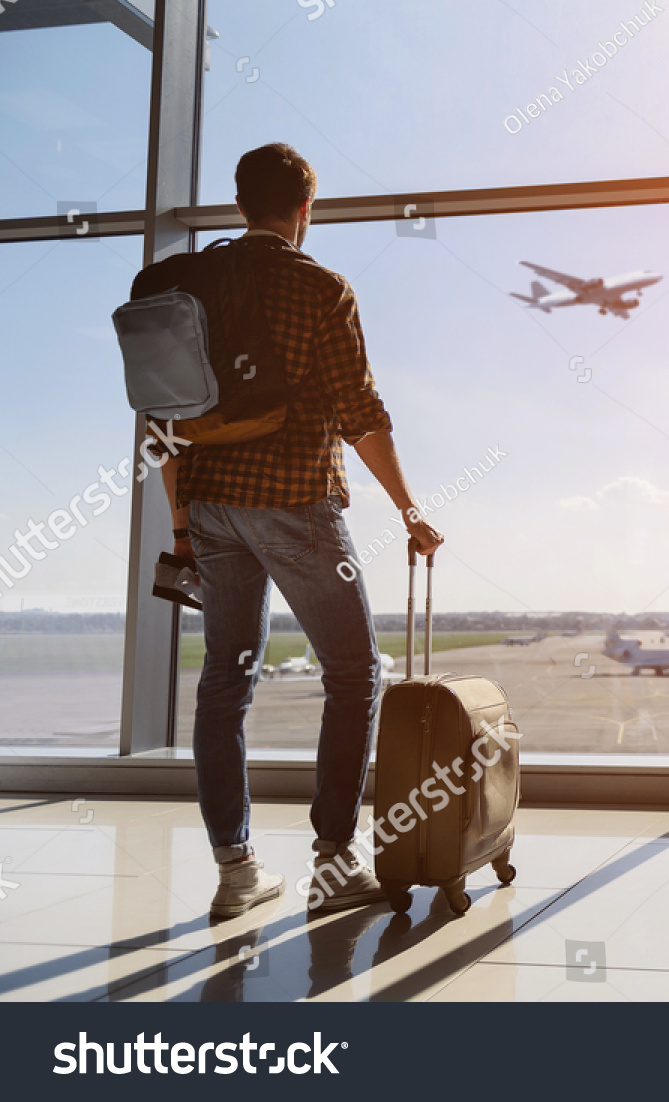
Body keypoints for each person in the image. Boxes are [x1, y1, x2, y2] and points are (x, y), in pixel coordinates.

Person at [155, 143, 442, 919]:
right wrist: (410, 509)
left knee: (225, 682)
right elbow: (361, 414)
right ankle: (333, 858)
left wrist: (182, 523)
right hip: (294, 502)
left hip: (211, 507)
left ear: (241, 202)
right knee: (354, 674)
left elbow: (160, 423)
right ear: (304, 209)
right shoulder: (321, 288)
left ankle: (235, 868)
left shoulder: (190, 287)